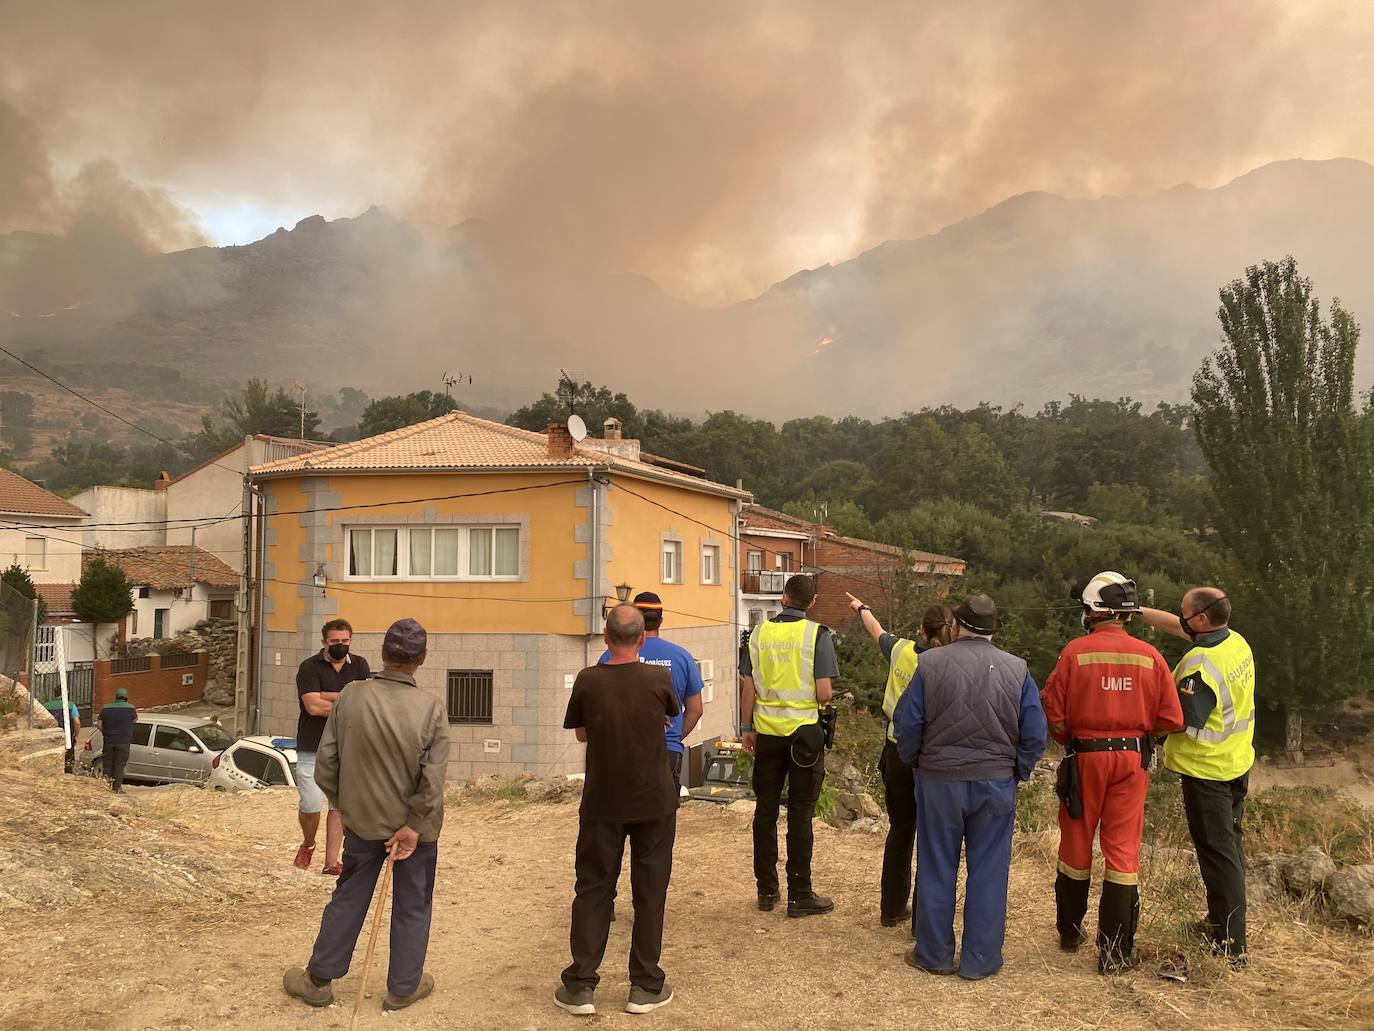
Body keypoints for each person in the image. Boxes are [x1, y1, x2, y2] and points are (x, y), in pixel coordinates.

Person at [283, 617, 448, 1013]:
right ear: (421, 658)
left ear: (383, 654)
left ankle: (319, 979)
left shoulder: (352, 696)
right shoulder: (431, 709)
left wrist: (352, 807)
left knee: (349, 896)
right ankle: (403, 987)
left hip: (362, 825)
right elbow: (433, 781)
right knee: (412, 903)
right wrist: (411, 826)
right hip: (416, 833)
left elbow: (326, 764)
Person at [892, 594, 1047, 980]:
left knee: (936, 864)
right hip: (995, 782)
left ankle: (934, 954)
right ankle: (981, 959)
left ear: (957, 626)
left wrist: (916, 763)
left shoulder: (929, 664)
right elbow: (1035, 732)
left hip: (939, 780)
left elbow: (906, 725)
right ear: (993, 631)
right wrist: (1019, 770)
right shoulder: (1017, 669)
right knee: (990, 871)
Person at [1041, 572, 1184, 973]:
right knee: (1122, 852)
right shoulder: (1151, 657)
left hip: (1085, 757)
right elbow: (1172, 719)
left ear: (1092, 611)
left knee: (1075, 844)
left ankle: (1070, 932)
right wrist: (1139, 735)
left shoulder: (1075, 652)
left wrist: (1070, 738)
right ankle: (1116, 953)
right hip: (1132, 761)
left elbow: (1053, 712)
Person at [557, 604, 680, 1017]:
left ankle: (580, 987)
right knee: (650, 890)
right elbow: (668, 718)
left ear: (606, 639)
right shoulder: (659, 677)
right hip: (653, 801)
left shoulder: (588, 680)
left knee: (593, 889)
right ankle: (644, 986)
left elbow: (581, 733)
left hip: (602, 801)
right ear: (642, 638)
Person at [1139, 587, 1256, 962]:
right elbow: (1180, 628)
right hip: (1236, 763)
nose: (1182, 618)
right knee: (1229, 849)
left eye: (1186, 613)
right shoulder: (1235, 642)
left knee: (1218, 855)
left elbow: (1180, 720)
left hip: (1207, 773)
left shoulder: (1199, 666)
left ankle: (1230, 944)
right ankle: (1221, 923)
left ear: (1202, 620)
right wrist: (1135, 610)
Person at [845, 591, 953, 932]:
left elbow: (875, 629)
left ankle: (891, 909)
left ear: (921, 629)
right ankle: (924, 918)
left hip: (896, 752)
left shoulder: (902, 650)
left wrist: (862, 607)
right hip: (932, 758)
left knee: (901, 832)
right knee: (933, 840)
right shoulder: (948, 663)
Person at [739, 574, 837, 918]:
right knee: (800, 813)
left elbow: (748, 687)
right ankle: (800, 894)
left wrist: (745, 727)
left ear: (783, 597)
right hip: (804, 739)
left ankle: (767, 891)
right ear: (811, 603)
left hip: (766, 735)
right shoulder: (816, 635)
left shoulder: (757, 634)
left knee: (765, 811)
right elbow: (824, 693)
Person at [597, 591, 705, 797]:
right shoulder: (682, 657)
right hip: (667, 751)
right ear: (661, 620)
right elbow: (696, 710)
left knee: (619, 817)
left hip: (621, 751)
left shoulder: (609, 655)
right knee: (659, 822)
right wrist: (673, 737)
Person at [294, 618, 371, 875]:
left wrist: (327, 694)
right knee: (310, 803)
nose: (340, 645)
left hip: (347, 746)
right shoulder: (308, 668)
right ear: (324, 642)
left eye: (345, 641)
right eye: (335, 642)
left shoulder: (360, 665)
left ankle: (331, 863)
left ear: (351, 640)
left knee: (338, 806)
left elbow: (365, 702)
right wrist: (345, 699)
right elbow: (313, 707)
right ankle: (308, 843)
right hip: (311, 745)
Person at [96, 686, 139, 793]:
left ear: (115, 697)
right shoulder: (130, 708)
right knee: (119, 765)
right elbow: (135, 720)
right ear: (126, 697)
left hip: (109, 741)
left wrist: (106, 733)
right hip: (124, 742)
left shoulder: (106, 708)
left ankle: (106, 787)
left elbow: (99, 724)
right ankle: (117, 789)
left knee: (108, 765)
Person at [42, 693, 80, 773]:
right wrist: (76, 735)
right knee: (68, 761)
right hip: (67, 737)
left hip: (51, 737)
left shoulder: (45, 705)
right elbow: (77, 723)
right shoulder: (71, 705)